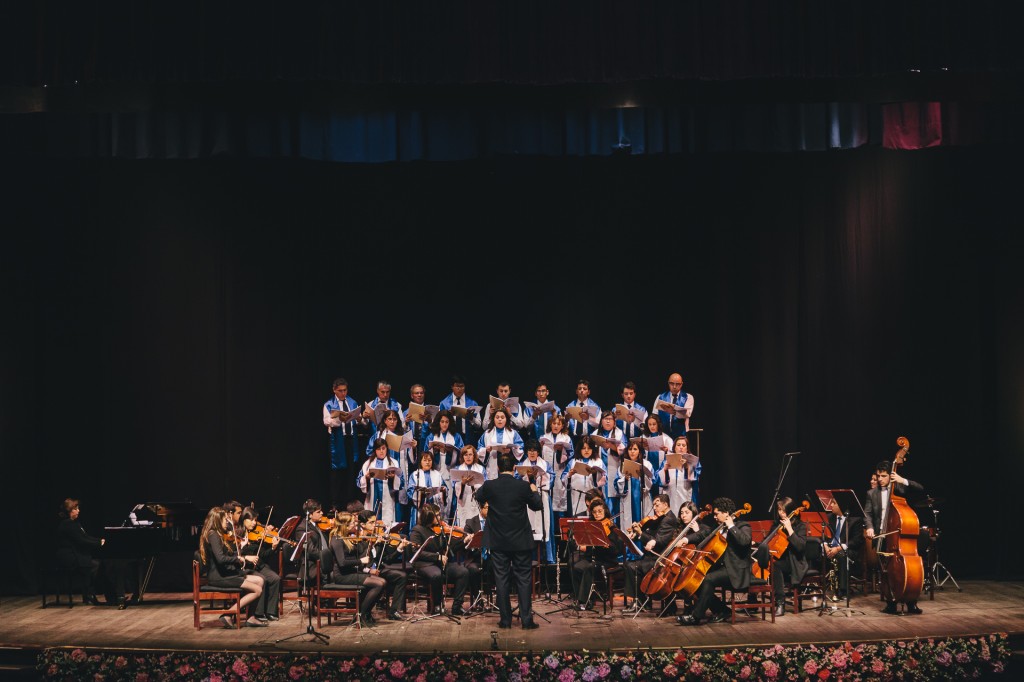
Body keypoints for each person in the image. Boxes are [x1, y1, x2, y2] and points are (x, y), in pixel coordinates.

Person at [474, 451, 543, 630]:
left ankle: (505, 621)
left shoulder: (490, 486)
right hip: (521, 540)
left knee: (502, 580)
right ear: (514, 467)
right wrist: (533, 485)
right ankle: (527, 621)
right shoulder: (522, 486)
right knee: (524, 580)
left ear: (498, 468)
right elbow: (537, 505)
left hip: (498, 541)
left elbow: (478, 496)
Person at [676, 497, 751, 626]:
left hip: (736, 570)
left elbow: (745, 541)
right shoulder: (718, 528)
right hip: (722, 568)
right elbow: (702, 535)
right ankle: (722, 610)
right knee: (696, 581)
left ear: (726, 513)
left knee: (708, 579)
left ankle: (696, 616)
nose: (714, 517)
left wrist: (731, 526)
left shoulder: (743, 526)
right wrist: (687, 540)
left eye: (717, 514)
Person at [864, 460, 924, 614]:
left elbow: (920, 489)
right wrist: (870, 527)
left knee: (904, 570)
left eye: (883, 476)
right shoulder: (871, 493)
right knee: (885, 571)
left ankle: (911, 602)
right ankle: (890, 603)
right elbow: (868, 514)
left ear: (890, 476)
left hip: (897, 536)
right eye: (878, 476)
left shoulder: (899, 489)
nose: (880, 479)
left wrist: (902, 480)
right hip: (882, 536)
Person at [198, 506, 266, 628]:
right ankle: (228, 614)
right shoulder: (213, 535)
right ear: (218, 520)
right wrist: (239, 558)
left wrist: (242, 556)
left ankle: (250, 618)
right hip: (219, 577)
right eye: (225, 520)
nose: (227, 523)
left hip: (224, 574)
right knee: (258, 590)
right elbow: (221, 559)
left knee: (260, 580)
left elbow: (226, 555)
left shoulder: (217, 534)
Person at [326, 511, 387, 626]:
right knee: (378, 584)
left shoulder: (346, 538)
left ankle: (365, 613)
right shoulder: (336, 539)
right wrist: (360, 561)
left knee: (382, 582)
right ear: (345, 525)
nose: (355, 526)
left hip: (351, 572)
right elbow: (342, 563)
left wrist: (368, 568)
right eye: (352, 524)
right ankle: (361, 615)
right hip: (342, 576)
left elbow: (354, 557)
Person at [622, 493, 680, 613]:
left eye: (657, 505)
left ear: (665, 504)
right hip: (652, 556)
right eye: (653, 505)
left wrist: (640, 533)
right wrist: (637, 535)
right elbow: (650, 536)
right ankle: (641, 601)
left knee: (632, 566)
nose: (654, 508)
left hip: (660, 558)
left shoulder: (669, 519)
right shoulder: (661, 518)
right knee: (629, 565)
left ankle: (641, 601)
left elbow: (659, 541)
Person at [409, 505, 470, 616]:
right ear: (428, 517)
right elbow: (416, 552)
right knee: (436, 575)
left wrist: (463, 541)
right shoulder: (417, 530)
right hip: (424, 564)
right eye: (436, 515)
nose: (439, 518)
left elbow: (450, 548)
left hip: (439, 563)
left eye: (439, 514)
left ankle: (457, 606)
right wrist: (437, 557)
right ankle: (437, 605)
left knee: (463, 572)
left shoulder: (440, 529)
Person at [752, 497, 809, 617]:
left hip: (794, 562)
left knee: (775, 566)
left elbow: (800, 547)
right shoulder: (777, 524)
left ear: (790, 511)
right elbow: (767, 542)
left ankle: (780, 603)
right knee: (757, 565)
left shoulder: (800, 526)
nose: (780, 513)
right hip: (779, 559)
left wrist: (789, 529)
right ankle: (752, 602)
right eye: (779, 510)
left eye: (783, 511)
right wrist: (757, 544)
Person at [569, 499, 623, 611]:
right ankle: (584, 596)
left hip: (608, 560)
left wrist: (607, 545)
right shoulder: (591, 525)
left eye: (600, 511)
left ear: (605, 511)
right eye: (594, 512)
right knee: (576, 566)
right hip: (595, 558)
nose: (597, 514)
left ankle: (584, 602)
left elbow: (617, 550)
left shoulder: (612, 527)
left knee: (589, 567)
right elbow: (590, 546)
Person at [356, 510, 408, 620]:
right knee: (380, 581)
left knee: (401, 576)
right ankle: (365, 612)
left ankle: (394, 611)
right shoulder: (358, 539)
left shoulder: (377, 538)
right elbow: (360, 562)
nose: (375, 526)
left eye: (376, 522)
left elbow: (387, 560)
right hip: (364, 571)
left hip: (377, 569)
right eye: (371, 522)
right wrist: (374, 544)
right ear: (362, 525)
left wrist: (399, 549)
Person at [323, 377, 364, 512]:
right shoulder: (329, 404)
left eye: (345, 390)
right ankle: (335, 504)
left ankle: (350, 503)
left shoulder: (352, 402)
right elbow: (327, 421)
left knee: (351, 471)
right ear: (334, 390)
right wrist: (340, 419)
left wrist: (359, 419)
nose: (343, 393)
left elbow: (360, 422)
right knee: (337, 473)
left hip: (351, 440)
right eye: (340, 391)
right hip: (338, 441)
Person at [55, 498, 105, 606]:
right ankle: (88, 593)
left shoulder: (74, 523)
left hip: (74, 553)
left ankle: (88, 593)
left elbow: (85, 537)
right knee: (95, 565)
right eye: (76, 509)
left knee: (95, 564)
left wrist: (99, 540)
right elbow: (81, 540)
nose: (78, 511)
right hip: (68, 556)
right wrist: (99, 543)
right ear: (69, 511)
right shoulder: (67, 524)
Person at [237, 506, 282, 623]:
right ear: (244, 519)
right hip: (246, 567)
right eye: (251, 520)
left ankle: (271, 611)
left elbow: (263, 554)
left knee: (275, 578)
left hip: (259, 565)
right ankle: (258, 612)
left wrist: (273, 547)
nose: (254, 523)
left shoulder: (256, 534)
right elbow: (235, 555)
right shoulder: (238, 534)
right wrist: (245, 552)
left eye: (255, 520)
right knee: (262, 579)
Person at [516, 440, 556, 563]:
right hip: (527, 498)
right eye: (530, 450)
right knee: (529, 524)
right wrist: (528, 478)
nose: (532, 453)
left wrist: (539, 477)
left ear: (538, 452)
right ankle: (531, 557)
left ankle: (547, 557)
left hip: (542, 495)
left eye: (534, 450)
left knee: (545, 525)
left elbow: (552, 478)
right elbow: (517, 481)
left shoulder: (545, 464)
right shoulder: (522, 465)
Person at [823, 496, 865, 604]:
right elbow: (823, 536)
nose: (830, 506)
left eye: (833, 503)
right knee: (812, 550)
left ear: (841, 506)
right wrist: (826, 546)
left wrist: (838, 548)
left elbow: (856, 541)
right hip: (830, 548)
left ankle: (843, 590)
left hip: (848, 550)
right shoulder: (829, 517)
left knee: (841, 555)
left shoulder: (855, 520)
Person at [357, 439, 404, 525]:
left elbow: (402, 482)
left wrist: (393, 478)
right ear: (375, 450)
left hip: (388, 499)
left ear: (387, 449)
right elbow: (359, 482)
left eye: (383, 448)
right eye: (378, 449)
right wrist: (366, 478)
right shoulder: (367, 464)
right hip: (371, 498)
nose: (381, 451)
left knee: (386, 523)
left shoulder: (394, 463)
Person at [291, 498, 332, 591]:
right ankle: (324, 601)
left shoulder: (317, 525)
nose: (322, 513)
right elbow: (311, 551)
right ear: (309, 515)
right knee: (333, 573)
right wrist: (327, 559)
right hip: (311, 565)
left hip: (321, 562)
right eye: (318, 511)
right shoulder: (302, 529)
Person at [562, 436, 607, 518]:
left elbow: (604, 479)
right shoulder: (573, 462)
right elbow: (563, 479)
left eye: (589, 448)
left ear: (593, 449)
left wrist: (594, 474)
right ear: (580, 449)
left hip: (593, 496)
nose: (586, 451)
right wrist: (569, 475)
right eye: (584, 448)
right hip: (576, 495)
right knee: (577, 518)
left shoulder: (598, 462)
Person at [614, 441, 654, 532]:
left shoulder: (646, 464)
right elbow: (616, 484)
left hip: (642, 498)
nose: (632, 451)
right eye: (630, 449)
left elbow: (652, 482)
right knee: (628, 525)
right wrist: (625, 479)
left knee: (643, 523)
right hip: (628, 499)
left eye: (635, 449)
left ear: (639, 452)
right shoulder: (623, 465)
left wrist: (642, 476)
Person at [593, 410, 627, 516]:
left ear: (614, 421)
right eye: (605, 419)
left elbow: (626, 452)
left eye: (610, 419)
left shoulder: (619, 433)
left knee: (613, 500)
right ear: (601, 421)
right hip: (599, 471)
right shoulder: (595, 434)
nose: (608, 422)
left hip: (614, 468)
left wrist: (611, 446)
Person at [539, 414, 574, 517]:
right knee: (546, 499)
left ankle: (560, 528)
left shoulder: (566, 438)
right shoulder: (544, 438)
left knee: (559, 498)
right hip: (546, 473)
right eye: (554, 423)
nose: (556, 426)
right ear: (550, 424)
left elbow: (571, 455)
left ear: (562, 426)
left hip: (560, 471)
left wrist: (561, 450)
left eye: (558, 424)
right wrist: (540, 447)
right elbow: (537, 456)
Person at [476, 407, 524, 480]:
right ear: (493, 419)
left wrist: (511, 450)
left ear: (506, 419)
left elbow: (520, 448)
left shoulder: (513, 433)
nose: (500, 419)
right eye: (497, 417)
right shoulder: (487, 433)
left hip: (508, 464)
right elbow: (479, 448)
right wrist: (486, 451)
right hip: (492, 465)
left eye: (502, 417)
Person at [406, 451, 449, 529]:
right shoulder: (415, 475)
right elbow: (410, 492)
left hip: (434, 507)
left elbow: (444, 489)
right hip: (419, 508)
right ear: (420, 462)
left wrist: (443, 490)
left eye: (429, 460)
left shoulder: (437, 475)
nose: (427, 462)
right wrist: (420, 494)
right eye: (425, 460)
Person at [458, 500, 489, 608]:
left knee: (500, 566)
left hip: (489, 557)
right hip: (474, 558)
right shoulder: (470, 522)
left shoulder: (493, 521)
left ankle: (499, 600)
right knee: (473, 570)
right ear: (481, 508)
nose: (489, 510)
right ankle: (478, 599)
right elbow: (463, 545)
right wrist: (470, 540)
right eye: (487, 508)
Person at [438, 375, 482, 448]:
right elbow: (438, 424)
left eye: (462, 386)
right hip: (450, 439)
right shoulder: (444, 403)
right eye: (457, 386)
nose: (460, 389)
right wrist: (447, 416)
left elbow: (479, 425)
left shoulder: (473, 403)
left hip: (468, 439)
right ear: (452, 387)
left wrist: (471, 418)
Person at [658, 435, 699, 511]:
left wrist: (687, 467)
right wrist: (665, 470)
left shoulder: (693, 461)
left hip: (686, 492)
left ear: (687, 448)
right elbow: (660, 482)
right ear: (674, 447)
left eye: (683, 445)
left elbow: (695, 478)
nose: (681, 447)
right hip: (670, 493)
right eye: (678, 445)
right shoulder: (666, 461)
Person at [450, 444, 485, 526]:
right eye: (465, 455)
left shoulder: (481, 469)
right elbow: (454, 486)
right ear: (462, 456)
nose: (468, 457)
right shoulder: (457, 469)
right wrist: (463, 484)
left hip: (476, 502)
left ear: (474, 456)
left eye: (470, 454)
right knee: (463, 525)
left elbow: (485, 485)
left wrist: (473, 484)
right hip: (463, 503)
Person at [653, 373, 694, 439]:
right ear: (668, 383)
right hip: (664, 434)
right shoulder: (660, 397)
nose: (674, 387)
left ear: (681, 384)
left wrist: (673, 411)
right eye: (672, 383)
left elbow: (687, 414)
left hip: (681, 435)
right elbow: (654, 415)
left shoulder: (688, 397)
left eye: (677, 384)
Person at [425, 410, 464, 474]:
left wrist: (452, 451)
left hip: (451, 468)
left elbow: (462, 452)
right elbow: (425, 453)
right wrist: (433, 451)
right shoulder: (431, 436)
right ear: (438, 422)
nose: (444, 424)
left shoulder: (456, 436)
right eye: (442, 422)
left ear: (450, 423)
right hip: (436, 468)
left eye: (447, 422)